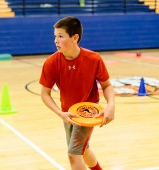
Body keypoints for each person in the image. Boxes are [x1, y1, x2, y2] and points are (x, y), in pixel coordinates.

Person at [39, 16, 115, 170]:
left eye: (61, 36)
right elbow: (45, 94)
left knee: (73, 154)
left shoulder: (94, 59)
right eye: (55, 36)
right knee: (83, 149)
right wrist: (61, 113)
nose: (56, 41)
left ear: (75, 38)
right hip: (68, 113)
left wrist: (111, 106)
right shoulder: (51, 62)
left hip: (88, 111)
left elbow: (107, 86)